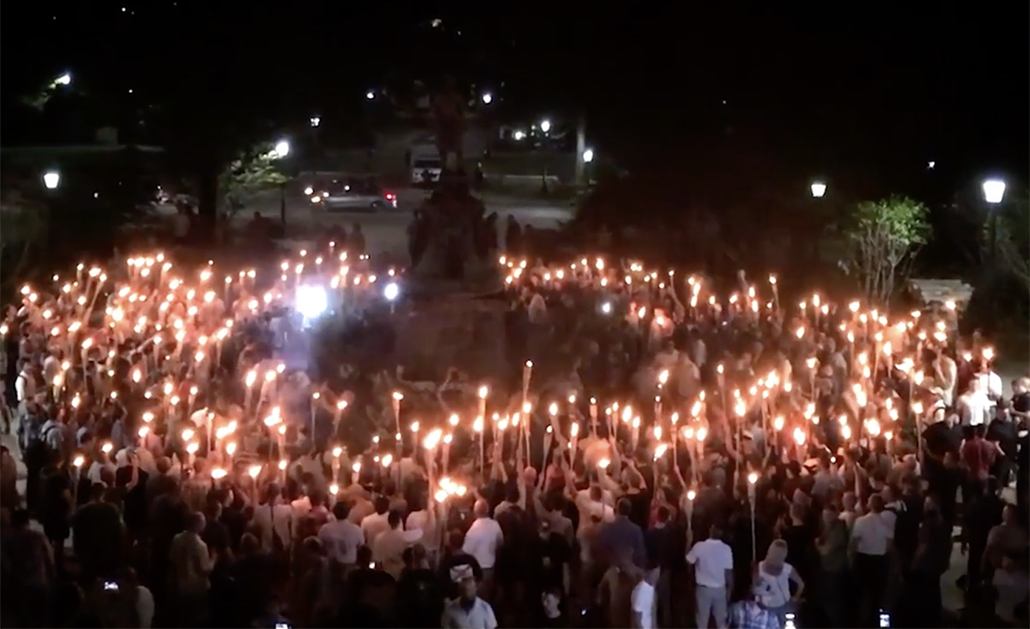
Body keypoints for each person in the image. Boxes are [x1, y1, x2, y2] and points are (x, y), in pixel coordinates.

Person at [686, 523, 733, 629]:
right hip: (720, 590)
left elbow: (688, 560)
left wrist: (688, 541)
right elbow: (729, 574)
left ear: (710, 530)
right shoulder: (726, 549)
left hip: (703, 590)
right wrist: (729, 591)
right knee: (721, 623)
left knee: (702, 622)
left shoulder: (699, 546)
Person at [754, 539, 804, 626]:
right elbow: (754, 589)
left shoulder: (787, 569)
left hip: (783, 607)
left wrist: (795, 598)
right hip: (767, 608)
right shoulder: (759, 567)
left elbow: (801, 584)